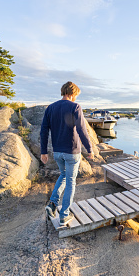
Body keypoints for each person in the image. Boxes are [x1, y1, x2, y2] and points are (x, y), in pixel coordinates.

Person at [40, 81, 93, 226]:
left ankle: (52, 204)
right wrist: (89, 149)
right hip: (72, 152)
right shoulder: (75, 106)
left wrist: (43, 152)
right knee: (70, 181)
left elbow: (44, 131)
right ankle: (64, 215)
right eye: (76, 95)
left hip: (57, 152)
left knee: (63, 175)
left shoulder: (51, 108)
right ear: (73, 93)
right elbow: (82, 130)